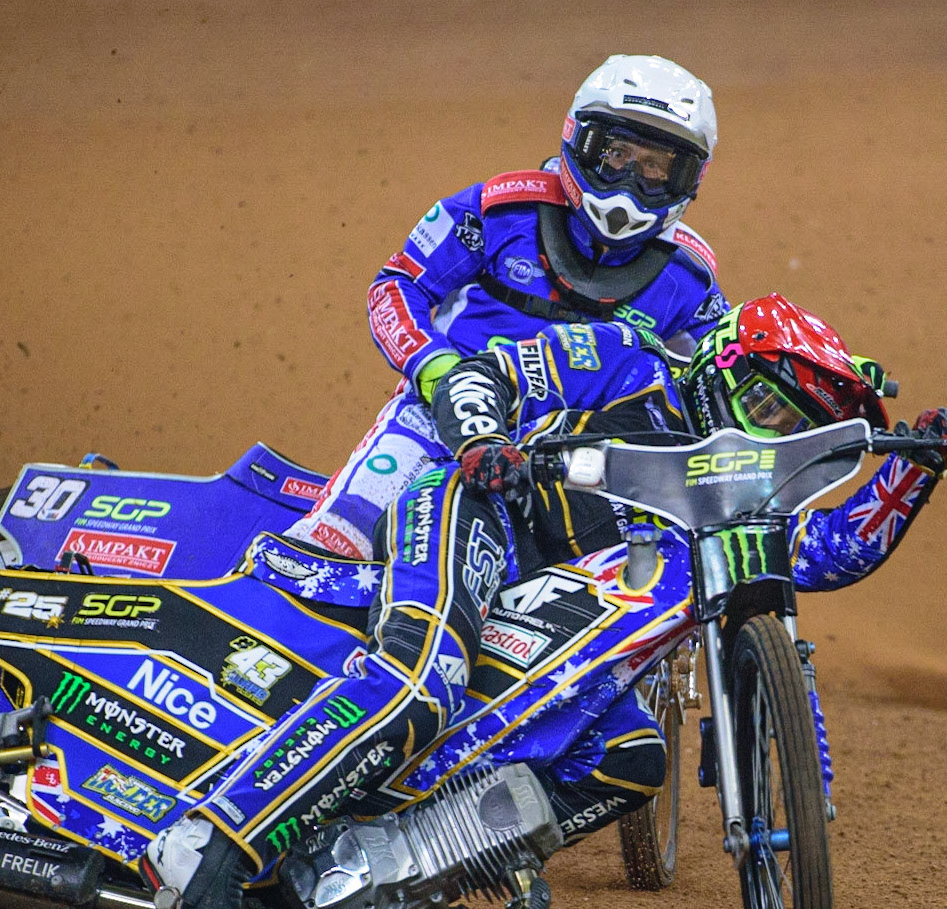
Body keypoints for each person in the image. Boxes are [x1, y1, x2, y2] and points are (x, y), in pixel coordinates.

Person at [145, 298, 947, 909]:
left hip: (556, 616)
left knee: (629, 757)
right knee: (426, 676)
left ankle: (400, 882)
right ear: (721, 365)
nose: (768, 439)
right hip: (479, 518)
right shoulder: (626, 358)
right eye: (765, 409)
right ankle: (212, 849)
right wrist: (483, 442)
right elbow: (485, 375)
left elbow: (831, 552)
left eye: (795, 432)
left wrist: (917, 471)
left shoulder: (741, 510)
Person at [286, 53, 730, 562]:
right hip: (439, 420)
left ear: (689, 178)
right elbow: (398, 284)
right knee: (337, 543)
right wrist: (436, 371)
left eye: (656, 167)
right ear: (579, 139)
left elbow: (725, 371)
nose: (631, 182)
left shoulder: (688, 278)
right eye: (616, 154)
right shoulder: (500, 211)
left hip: (574, 461)